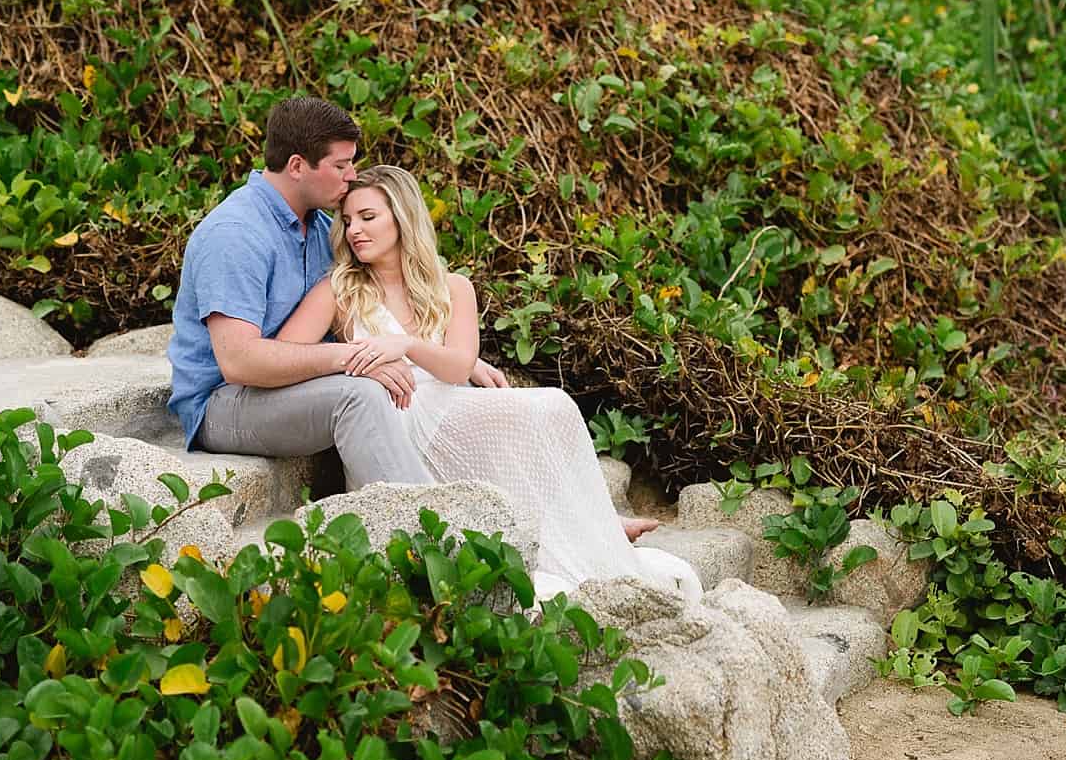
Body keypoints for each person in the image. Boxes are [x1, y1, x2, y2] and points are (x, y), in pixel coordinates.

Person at [276, 164, 703, 602]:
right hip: (392, 423)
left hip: (447, 405)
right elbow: (287, 352)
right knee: (528, 415)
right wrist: (357, 363)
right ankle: (587, 524)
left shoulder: (452, 287)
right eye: (347, 221)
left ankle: (586, 525)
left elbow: (458, 367)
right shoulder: (341, 290)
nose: (354, 231)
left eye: (368, 217)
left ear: (403, 218)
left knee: (552, 407)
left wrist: (403, 344)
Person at [166, 96, 508, 490]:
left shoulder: (323, 227)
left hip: (294, 387)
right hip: (226, 403)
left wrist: (458, 359)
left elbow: (387, 288)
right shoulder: (236, 235)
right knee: (359, 395)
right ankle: (424, 529)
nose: (352, 175)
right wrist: (352, 359)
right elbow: (240, 364)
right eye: (341, 165)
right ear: (297, 166)